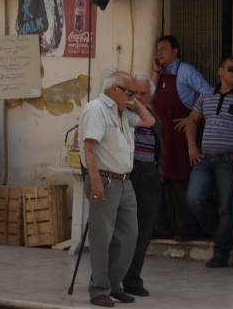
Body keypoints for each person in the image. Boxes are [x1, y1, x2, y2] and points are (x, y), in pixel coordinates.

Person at [177, 57, 233, 268]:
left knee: (227, 206)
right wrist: (191, 147)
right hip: (205, 158)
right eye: (231, 69)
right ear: (220, 72)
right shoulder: (206, 95)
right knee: (194, 198)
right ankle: (221, 233)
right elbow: (192, 120)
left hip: (229, 159)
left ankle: (220, 253)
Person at [78, 71, 156, 307]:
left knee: (129, 235)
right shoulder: (97, 109)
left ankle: (114, 285)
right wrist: (95, 180)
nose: (134, 97)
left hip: (124, 181)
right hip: (104, 179)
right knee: (102, 238)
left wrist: (134, 102)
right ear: (114, 89)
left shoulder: (122, 112)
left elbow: (149, 121)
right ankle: (99, 289)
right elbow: (89, 148)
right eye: (129, 92)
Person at [153, 35, 212, 241]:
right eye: (157, 50)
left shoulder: (186, 71)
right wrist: (155, 74)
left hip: (181, 136)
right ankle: (166, 227)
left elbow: (208, 93)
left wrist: (192, 117)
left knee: (181, 181)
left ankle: (190, 227)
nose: (159, 53)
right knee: (163, 181)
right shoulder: (161, 74)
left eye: (163, 49)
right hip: (162, 136)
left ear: (175, 51)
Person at [123, 74, 162, 298]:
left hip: (149, 176)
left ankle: (132, 279)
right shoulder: (119, 114)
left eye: (142, 93)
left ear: (151, 96)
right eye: (133, 92)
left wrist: (158, 174)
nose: (137, 97)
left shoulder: (154, 118)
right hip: (126, 174)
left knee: (143, 230)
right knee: (119, 229)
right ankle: (107, 276)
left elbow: (160, 149)